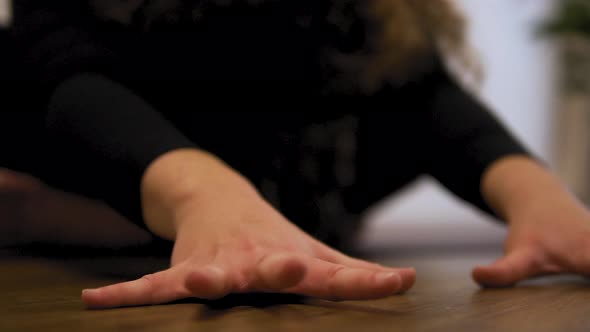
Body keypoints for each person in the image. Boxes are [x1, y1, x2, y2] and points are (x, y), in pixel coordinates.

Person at [4, 0, 590, 310]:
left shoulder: (361, 26)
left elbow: (421, 93)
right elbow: (63, 72)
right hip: (87, 184)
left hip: (271, 204)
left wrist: (542, 199)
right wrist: (200, 192)